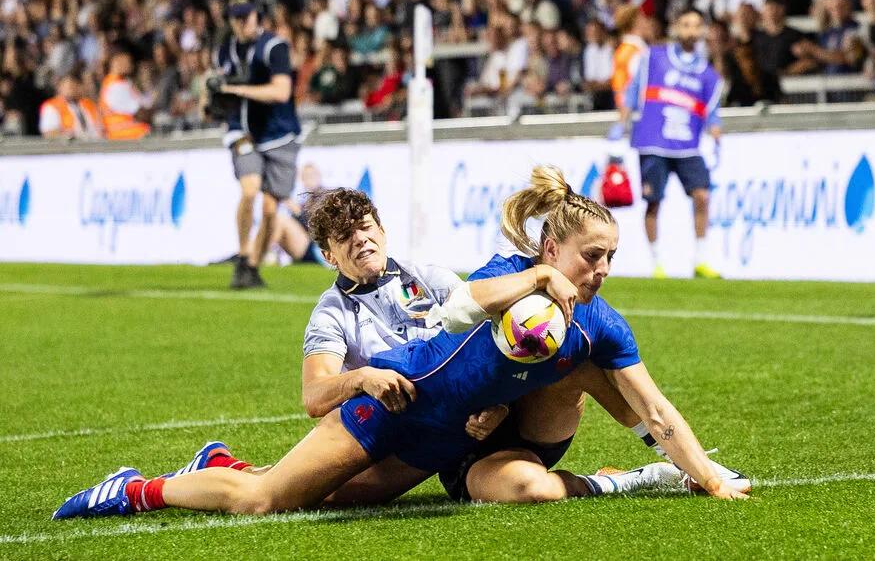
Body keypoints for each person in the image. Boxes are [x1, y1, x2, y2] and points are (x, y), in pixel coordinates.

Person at [53, 168, 749, 521]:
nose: (600, 271)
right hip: (389, 403)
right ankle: (137, 490)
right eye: (589, 256)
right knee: (266, 501)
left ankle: (653, 475)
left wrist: (712, 480)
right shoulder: (505, 275)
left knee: (335, 504)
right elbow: (456, 313)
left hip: (442, 438)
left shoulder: (603, 324)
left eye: (609, 259)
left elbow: (654, 408)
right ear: (549, 247)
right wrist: (536, 277)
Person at [622, 8, 724, 279]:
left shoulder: (709, 75)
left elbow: (712, 111)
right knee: (654, 203)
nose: (691, 30)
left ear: (703, 31)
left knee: (702, 195)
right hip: (653, 141)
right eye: (686, 24)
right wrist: (623, 117)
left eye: (697, 25)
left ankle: (700, 258)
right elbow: (633, 91)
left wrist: (715, 129)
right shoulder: (654, 57)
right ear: (677, 27)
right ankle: (656, 262)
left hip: (687, 145)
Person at [214, 0, 303, 290]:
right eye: (235, 19)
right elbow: (217, 91)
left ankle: (251, 266)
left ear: (256, 16)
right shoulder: (224, 51)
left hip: (278, 135)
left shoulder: (274, 47)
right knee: (249, 189)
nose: (240, 25)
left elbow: (281, 91)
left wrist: (238, 90)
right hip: (242, 130)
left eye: (244, 18)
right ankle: (242, 256)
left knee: (269, 209)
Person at [99, 50, 151, 140]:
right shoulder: (115, 85)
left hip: (132, 136)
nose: (130, 65)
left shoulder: (124, 82)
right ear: (116, 62)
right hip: (125, 137)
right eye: (127, 61)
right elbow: (141, 113)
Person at [38, 73, 101, 140]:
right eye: (69, 86)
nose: (72, 89)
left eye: (75, 86)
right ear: (60, 87)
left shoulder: (88, 104)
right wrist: (67, 135)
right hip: (68, 147)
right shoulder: (51, 106)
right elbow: (49, 132)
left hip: (92, 145)